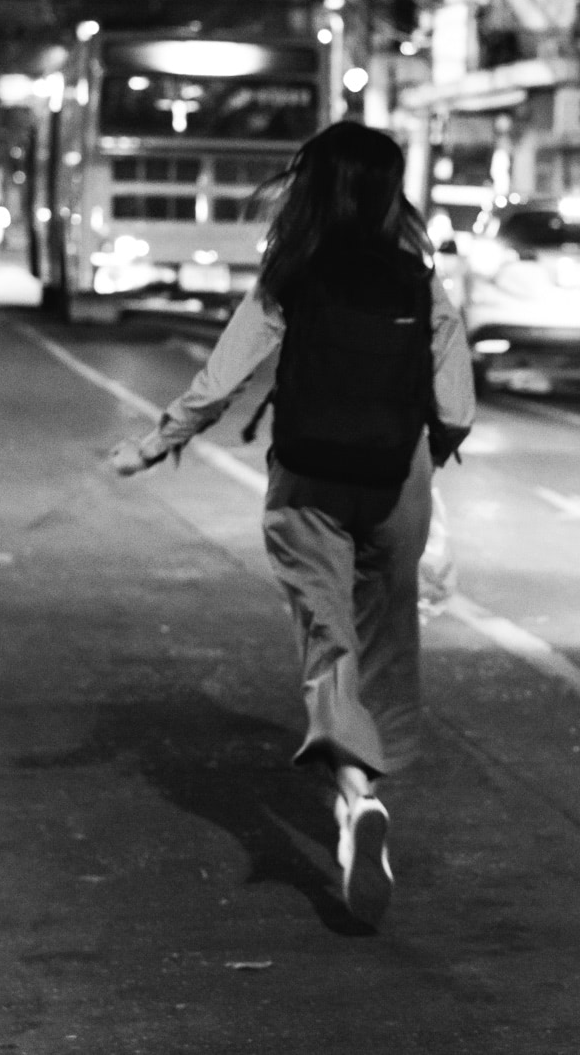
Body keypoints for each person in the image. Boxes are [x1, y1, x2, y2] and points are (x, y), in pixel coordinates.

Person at [109, 121, 474, 928]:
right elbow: (456, 403)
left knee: (327, 640)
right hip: (395, 484)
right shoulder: (420, 281)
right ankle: (368, 788)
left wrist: (156, 442)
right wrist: (431, 445)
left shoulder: (293, 274)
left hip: (309, 480)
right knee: (384, 636)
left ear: (314, 191)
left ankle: (357, 796)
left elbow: (222, 377)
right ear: (389, 192)